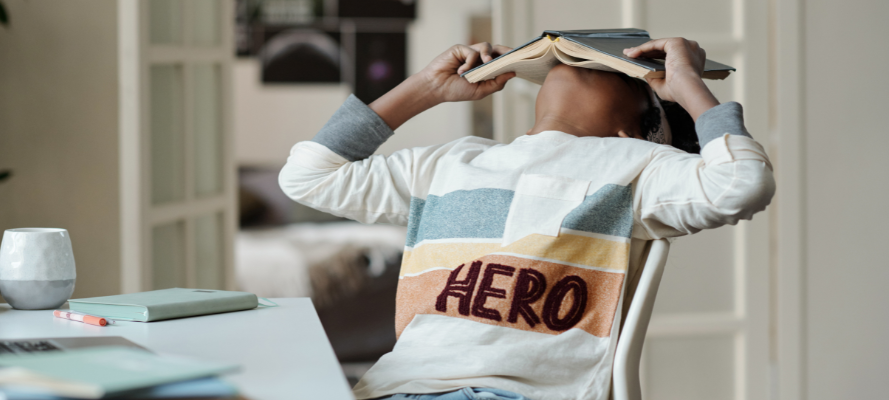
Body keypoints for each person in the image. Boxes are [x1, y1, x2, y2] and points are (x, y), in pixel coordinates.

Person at [279, 37, 775, 400]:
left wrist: (687, 88)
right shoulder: (451, 162)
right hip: (397, 385)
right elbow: (306, 177)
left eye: (641, 84)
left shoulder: (639, 166)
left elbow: (742, 183)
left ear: (633, 129)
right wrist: (424, 89)